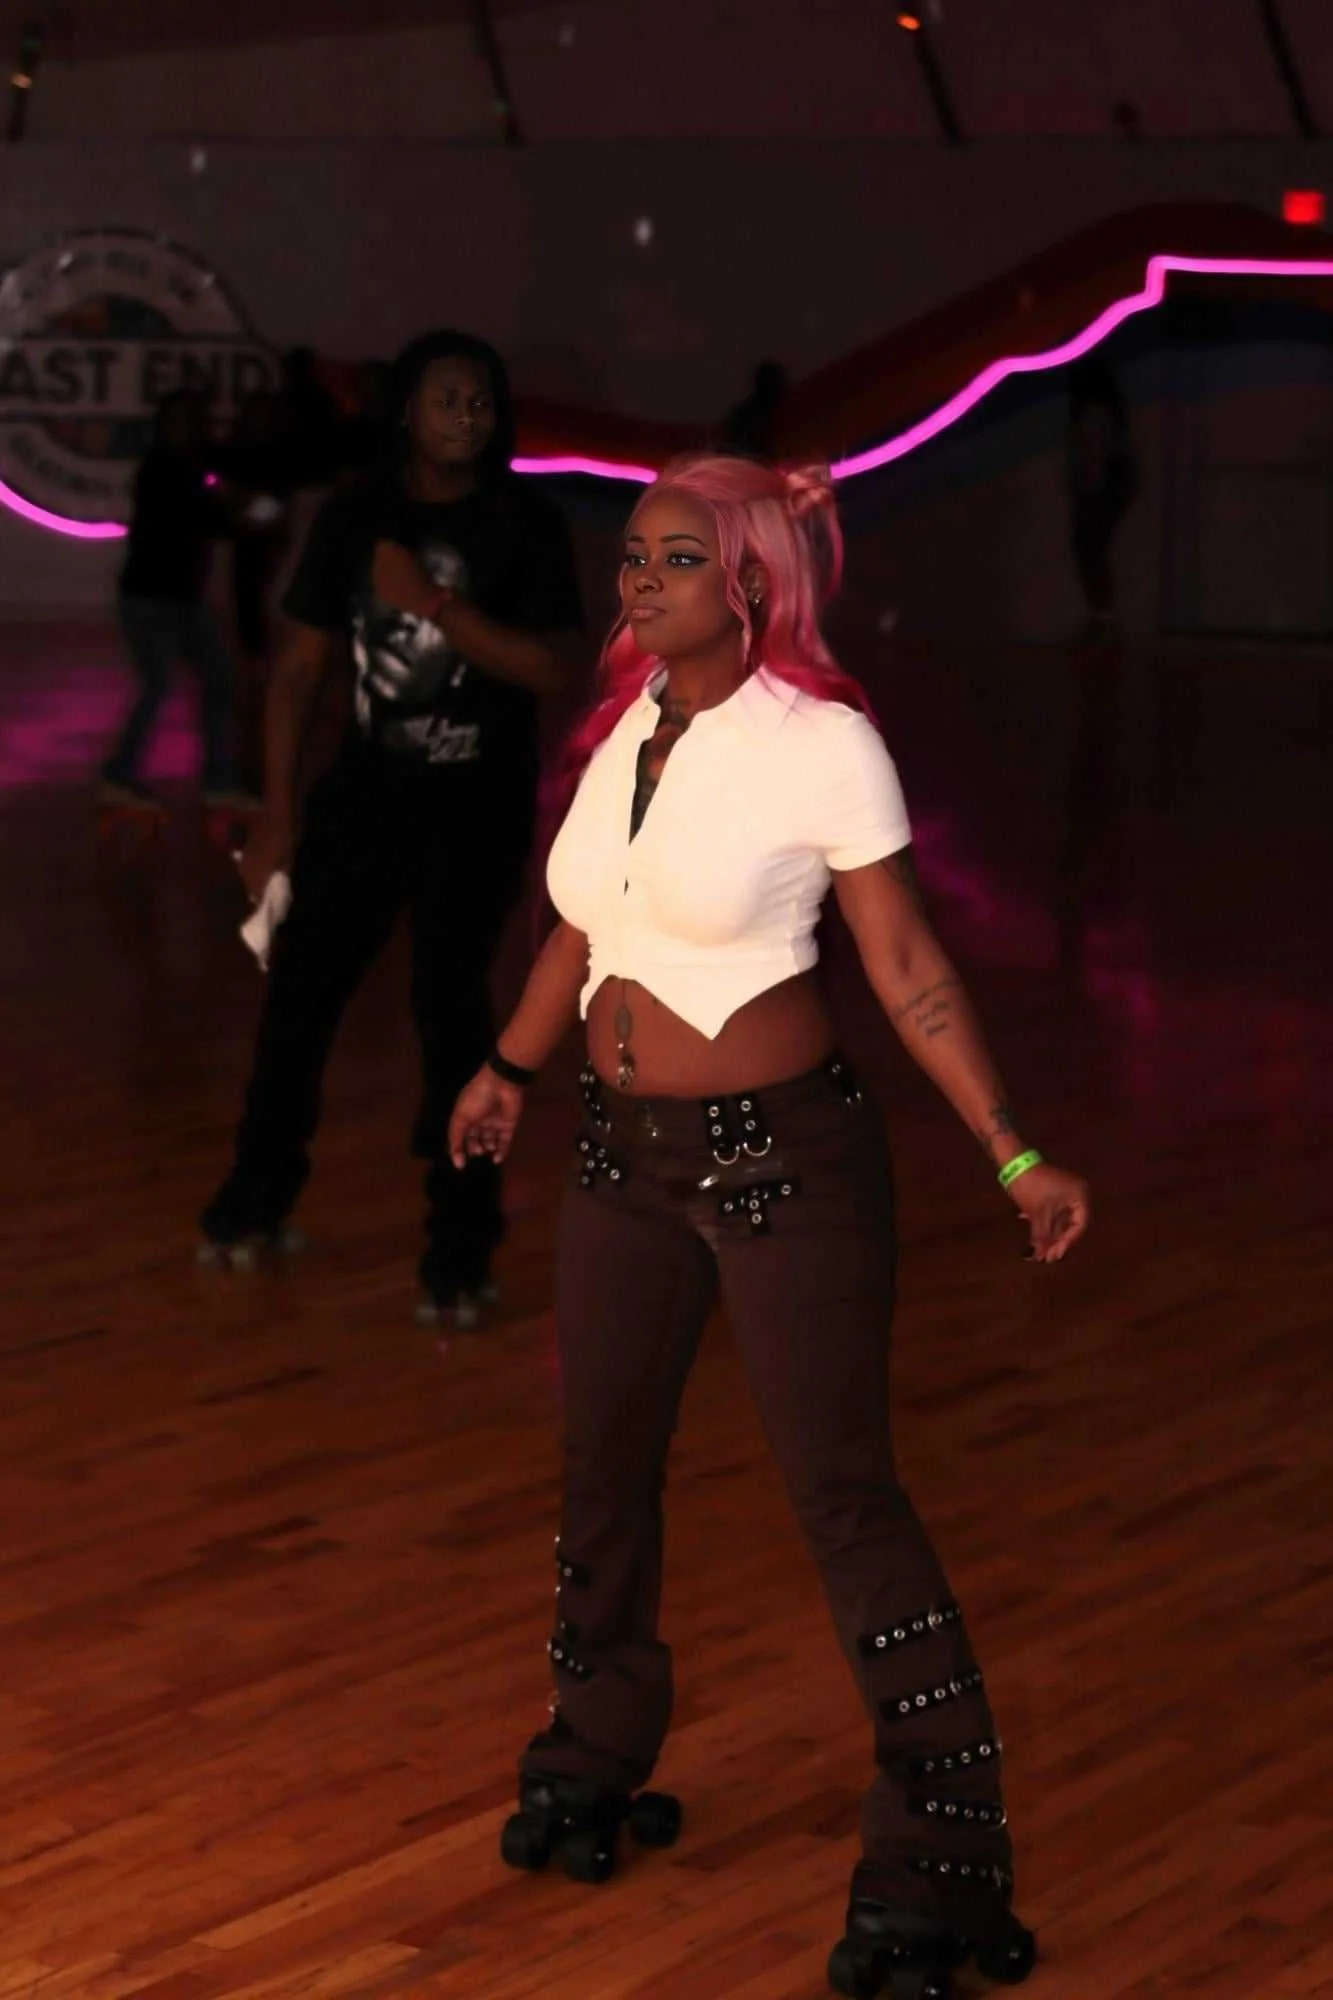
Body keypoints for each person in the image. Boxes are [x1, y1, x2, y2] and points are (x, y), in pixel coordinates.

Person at [448, 455, 1090, 1991]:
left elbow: (907, 966)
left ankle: (937, 1859)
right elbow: (579, 929)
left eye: (674, 559)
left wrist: (1011, 1155)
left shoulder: (824, 743)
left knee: (844, 1502)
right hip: (620, 1162)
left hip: (782, 1169)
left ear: (751, 581)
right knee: (601, 1469)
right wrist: (504, 1070)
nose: (637, 582)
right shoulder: (623, 730)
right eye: (631, 559)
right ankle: (593, 1744)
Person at [199, 330, 584, 1323]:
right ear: (405, 410)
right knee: (299, 1002)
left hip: (477, 808)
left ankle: (459, 1249)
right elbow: (296, 671)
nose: (466, 415)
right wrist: (276, 814)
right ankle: (253, 1200)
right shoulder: (352, 518)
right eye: (445, 398)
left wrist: (438, 606)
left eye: (481, 402)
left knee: (452, 1018)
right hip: (364, 798)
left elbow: (553, 668)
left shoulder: (525, 523)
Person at [100, 391, 248, 813]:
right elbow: (202, 521)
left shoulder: (179, 467)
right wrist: (236, 511)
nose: (191, 429)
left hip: (172, 595)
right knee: (167, 685)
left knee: (207, 682)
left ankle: (215, 780)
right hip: (154, 597)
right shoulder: (166, 471)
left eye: (194, 420)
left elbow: (207, 518)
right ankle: (123, 775)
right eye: (184, 421)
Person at [1066, 357, 1139, 632]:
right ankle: (1102, 614)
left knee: (1089, 550)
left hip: (1099, 487)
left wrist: (1088, 491)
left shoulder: (1093, 412)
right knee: (1092, 550)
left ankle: (1102, 616)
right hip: (1104, 486)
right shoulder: (1105, 410)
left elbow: (1093, 454)